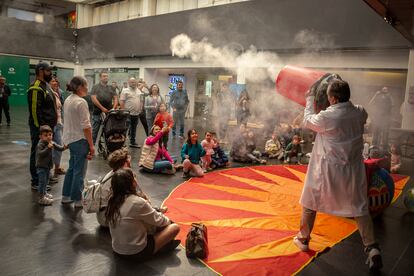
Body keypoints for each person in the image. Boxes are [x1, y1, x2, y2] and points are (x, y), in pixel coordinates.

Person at [294, 79, 383, 272]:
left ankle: (303, 239)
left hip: (327, 170)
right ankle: (372, 248)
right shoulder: (360, 111)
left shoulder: (328, 117)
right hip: (352, 171)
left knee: (310, 201)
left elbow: (307, 120)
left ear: (333, 98)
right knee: (360, 208)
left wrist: (309, 98)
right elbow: (357, 114)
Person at [105, 168, 181, 260]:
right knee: (175, 227)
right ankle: (160, 247)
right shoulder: (137, 202)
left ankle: (161, 244)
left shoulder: (111, 200)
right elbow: (160, 221)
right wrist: (170, 222)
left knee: (143, 222)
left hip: (117, 250)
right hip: (137, 252)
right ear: (132, 183)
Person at [96, 148, 168, 227]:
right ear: (124, 163)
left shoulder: (112, 173)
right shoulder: (122, 178)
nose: (130, 160)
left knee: (135, 201)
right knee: (138, 206)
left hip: (103, 216)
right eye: (128, 159)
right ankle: (154, 212)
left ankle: (154, 210)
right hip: (110, 218)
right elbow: (139, 195)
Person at [62, 76, 94, 207]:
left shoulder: (68, 100)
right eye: (86, 85)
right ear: (80, 87)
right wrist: (91, 145)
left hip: (70, 139)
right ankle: (77, 199)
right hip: (80, 140)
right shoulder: (81, 102)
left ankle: (66, 196)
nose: (87, 88)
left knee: (72, 168)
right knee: (79, 171)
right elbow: (86, 127)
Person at [28, 62, 57, 191]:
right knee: (37, 153)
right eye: (48, 71)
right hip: (40, 130)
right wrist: (42, 131)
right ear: (40, 71)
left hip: (48, 129)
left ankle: (45, 176)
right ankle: (36, 180)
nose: (51, 73)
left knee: (47, 153)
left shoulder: (45, 86)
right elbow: (35, 111)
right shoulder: (36, 88)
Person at [36, 125, 66, 205]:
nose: (48, 137)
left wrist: (64, 147)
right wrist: (48, 148)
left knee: (46, 182)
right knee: (42, 182)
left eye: (50, 135)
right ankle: (41, 198)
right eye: (45, 135)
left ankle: (44, 193)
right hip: (41, 167)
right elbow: (40, 154)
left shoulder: (51, 142)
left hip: (47, 167)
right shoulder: (40, 144)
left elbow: (59, 148)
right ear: (40, 136)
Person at [91, 71, 118, 144]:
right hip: (97, 113)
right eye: (104, 76)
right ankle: (91, 149)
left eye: (106, 76)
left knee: (108, 131)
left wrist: (113, 108)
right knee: (94, 131)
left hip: (108, 114)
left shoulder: (111, 87)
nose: (106, 77)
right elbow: (93, 98)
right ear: (100, 78)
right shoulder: (95, 87)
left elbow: (115, 98)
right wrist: (102, 108)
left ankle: (108, 147)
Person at [120, 77, 143, 148]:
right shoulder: (125, 91)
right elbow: (121, 101)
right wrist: (123, 111)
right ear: (129, 82)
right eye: (132, 82)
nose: (133, 83)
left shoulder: (138, 90)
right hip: (127, 113)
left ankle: (132, 142)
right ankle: (122, 143)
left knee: (133, 128)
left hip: (136, 113)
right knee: (125, 129)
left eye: (134, 82)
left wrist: (140, 109)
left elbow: (141, 100)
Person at [49, 77, 66, 176]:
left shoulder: (59, 93)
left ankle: (57, 168)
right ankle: (48, 172)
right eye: (52, 81)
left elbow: (61, 107)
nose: (55, 83)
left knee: (59, 145)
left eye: (56, 81)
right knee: (49, 147)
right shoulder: (48, 92)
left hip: (58, 123)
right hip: (51, 124)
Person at [368, 86, 392, 151]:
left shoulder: (389, 97)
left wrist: (388, 97)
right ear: (381, 90)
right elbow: (370, 103)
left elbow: (391, 106)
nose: (385, 91)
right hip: (377, 118)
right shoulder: (378, 96)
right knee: (375, 134)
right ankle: (373, 149)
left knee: (385, 135)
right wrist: (376, 95)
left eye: (386, 90)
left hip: (385, 119)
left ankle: (384, 150)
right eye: (384, 89)